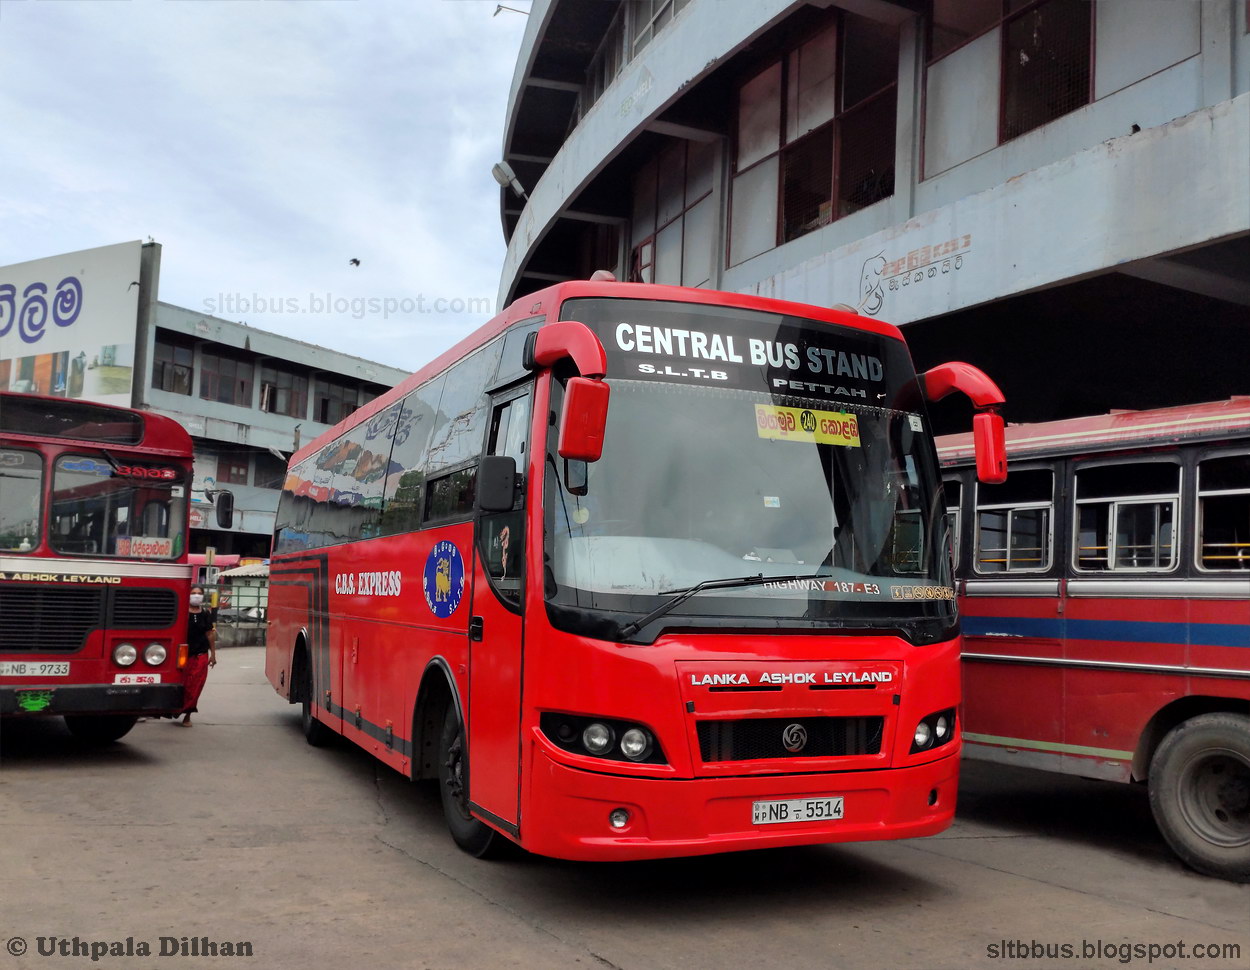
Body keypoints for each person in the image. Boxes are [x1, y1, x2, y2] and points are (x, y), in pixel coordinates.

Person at [180, 585, 217, 726]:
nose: (196, 596)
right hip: (183, 655)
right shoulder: (182, 612)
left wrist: (213, 654)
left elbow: (209, 634)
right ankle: (176, 708)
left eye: (199, 593)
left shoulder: (205, 614)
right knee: (183, 684)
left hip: (200, 655)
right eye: (193, 593)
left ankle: (188, 715)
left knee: (196, 685)